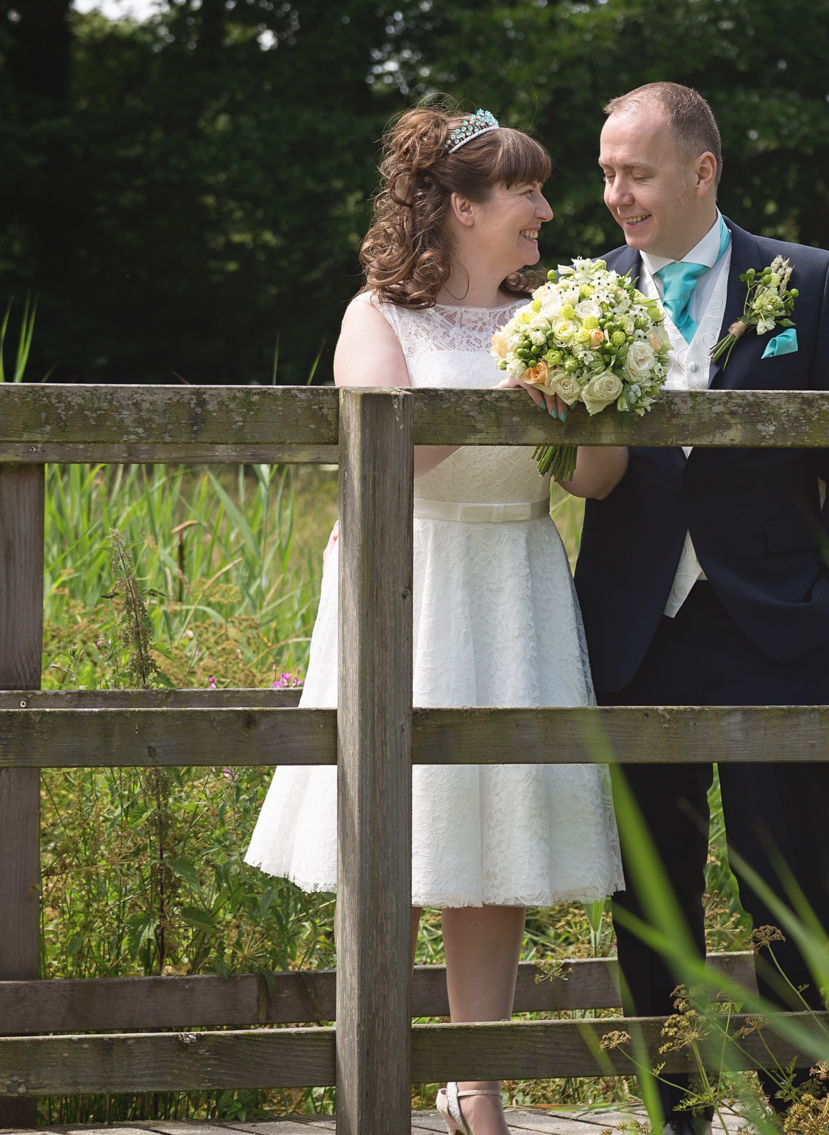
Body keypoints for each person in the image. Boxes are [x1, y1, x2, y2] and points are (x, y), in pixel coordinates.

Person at [243, 103, 627, 1135]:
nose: (547, 210)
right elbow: (387, 467)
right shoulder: (377, 316)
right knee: (397, 830)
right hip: (409, 576)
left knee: (492, 833)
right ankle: (372, 1071)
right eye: (526, 192)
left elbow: (597, 478)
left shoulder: (555, 308)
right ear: (459, 207)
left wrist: (582, 393)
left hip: (515, 572)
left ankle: (475, 1083)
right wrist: (505, 392)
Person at [572, 81, 829, 1135]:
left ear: (701, 171)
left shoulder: (803, 280)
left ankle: (802, 1111)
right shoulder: (582, 298)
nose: (616, 193)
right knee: (647, 897)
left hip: (772, 623)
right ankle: (676, 1117)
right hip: (633, 629)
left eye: (638, 172)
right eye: (607, 172)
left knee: (790, 884)